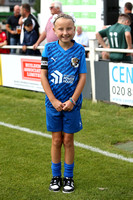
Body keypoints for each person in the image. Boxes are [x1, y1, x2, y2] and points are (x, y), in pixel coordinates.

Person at [41, 13, 87, 193]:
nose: (65, 32)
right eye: (61, 29)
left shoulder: (80, 50)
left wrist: (72, 100)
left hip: (72, 105)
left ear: (74, 30)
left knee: (68, 140)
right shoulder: (49, 48)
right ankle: (55, 177)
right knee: (56, 139)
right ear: (54, 30)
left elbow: (82, 78)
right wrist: (53, 100)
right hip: (52, 104)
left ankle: (68, 178)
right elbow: (43, 76)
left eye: (69, 29)